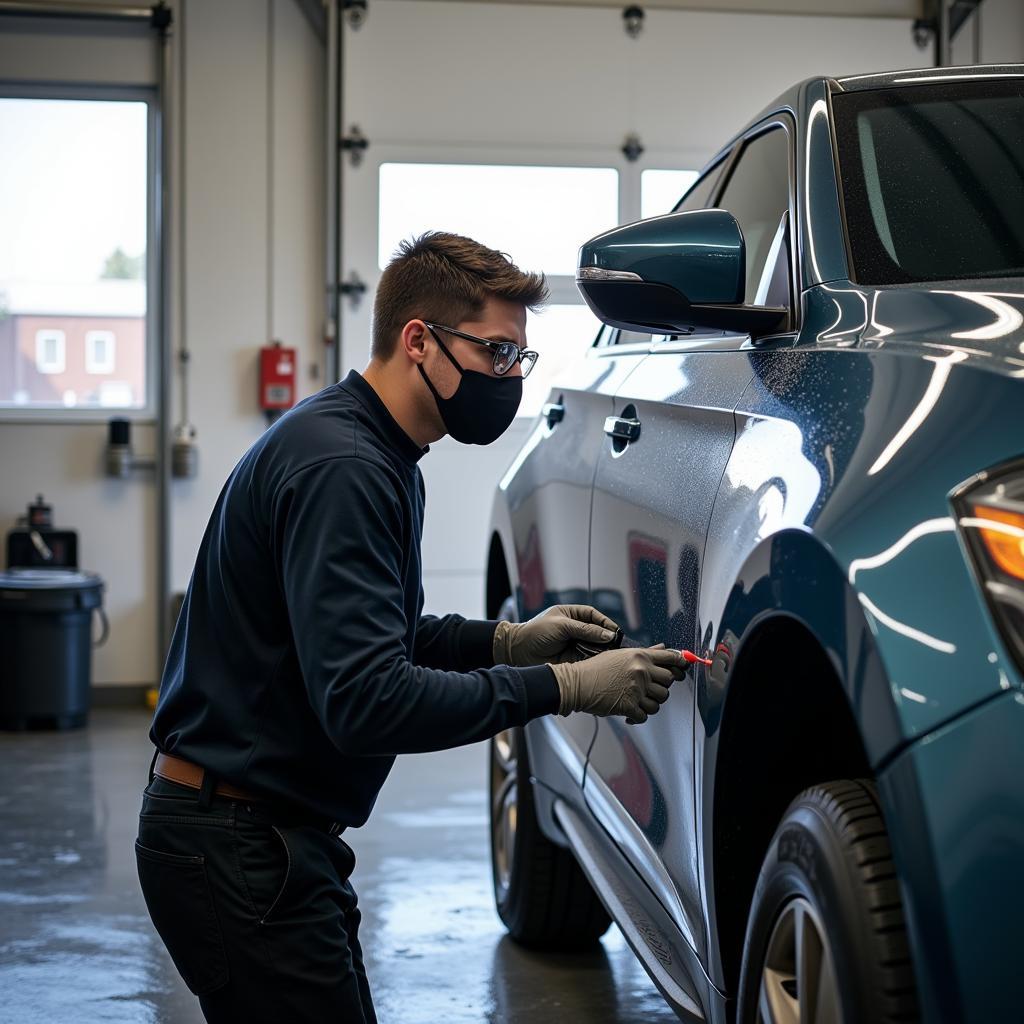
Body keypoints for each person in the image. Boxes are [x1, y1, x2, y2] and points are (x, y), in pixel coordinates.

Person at [135, 231, 685, 1023]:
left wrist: (502, 642)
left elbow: (367, 634)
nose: (510, 380)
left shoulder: (369, 450)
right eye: (497, 354)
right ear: (418, 339)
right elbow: (366, 701)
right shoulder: (347, 471)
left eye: (520, 362)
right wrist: (560, 688)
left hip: (259, 834)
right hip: (239, 845)